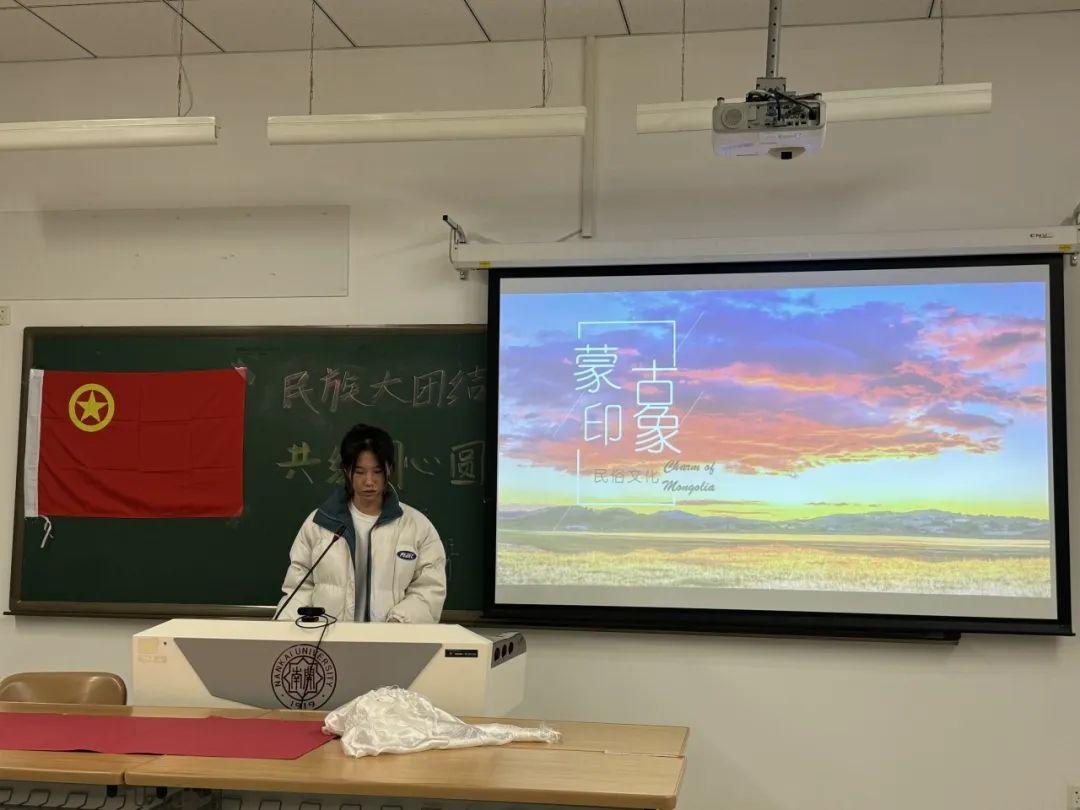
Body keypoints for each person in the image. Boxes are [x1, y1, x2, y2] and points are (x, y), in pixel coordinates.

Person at [276, 423, 446, 623]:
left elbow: (428, 590)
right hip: (328, 638)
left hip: (392, 638)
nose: (369, 481)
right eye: (360, 472)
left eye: (377, 471)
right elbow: (298, 588)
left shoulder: (417, 527)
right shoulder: (320, 523)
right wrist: (284, 627)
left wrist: (398, 623)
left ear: (389, 469)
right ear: (346, 471)